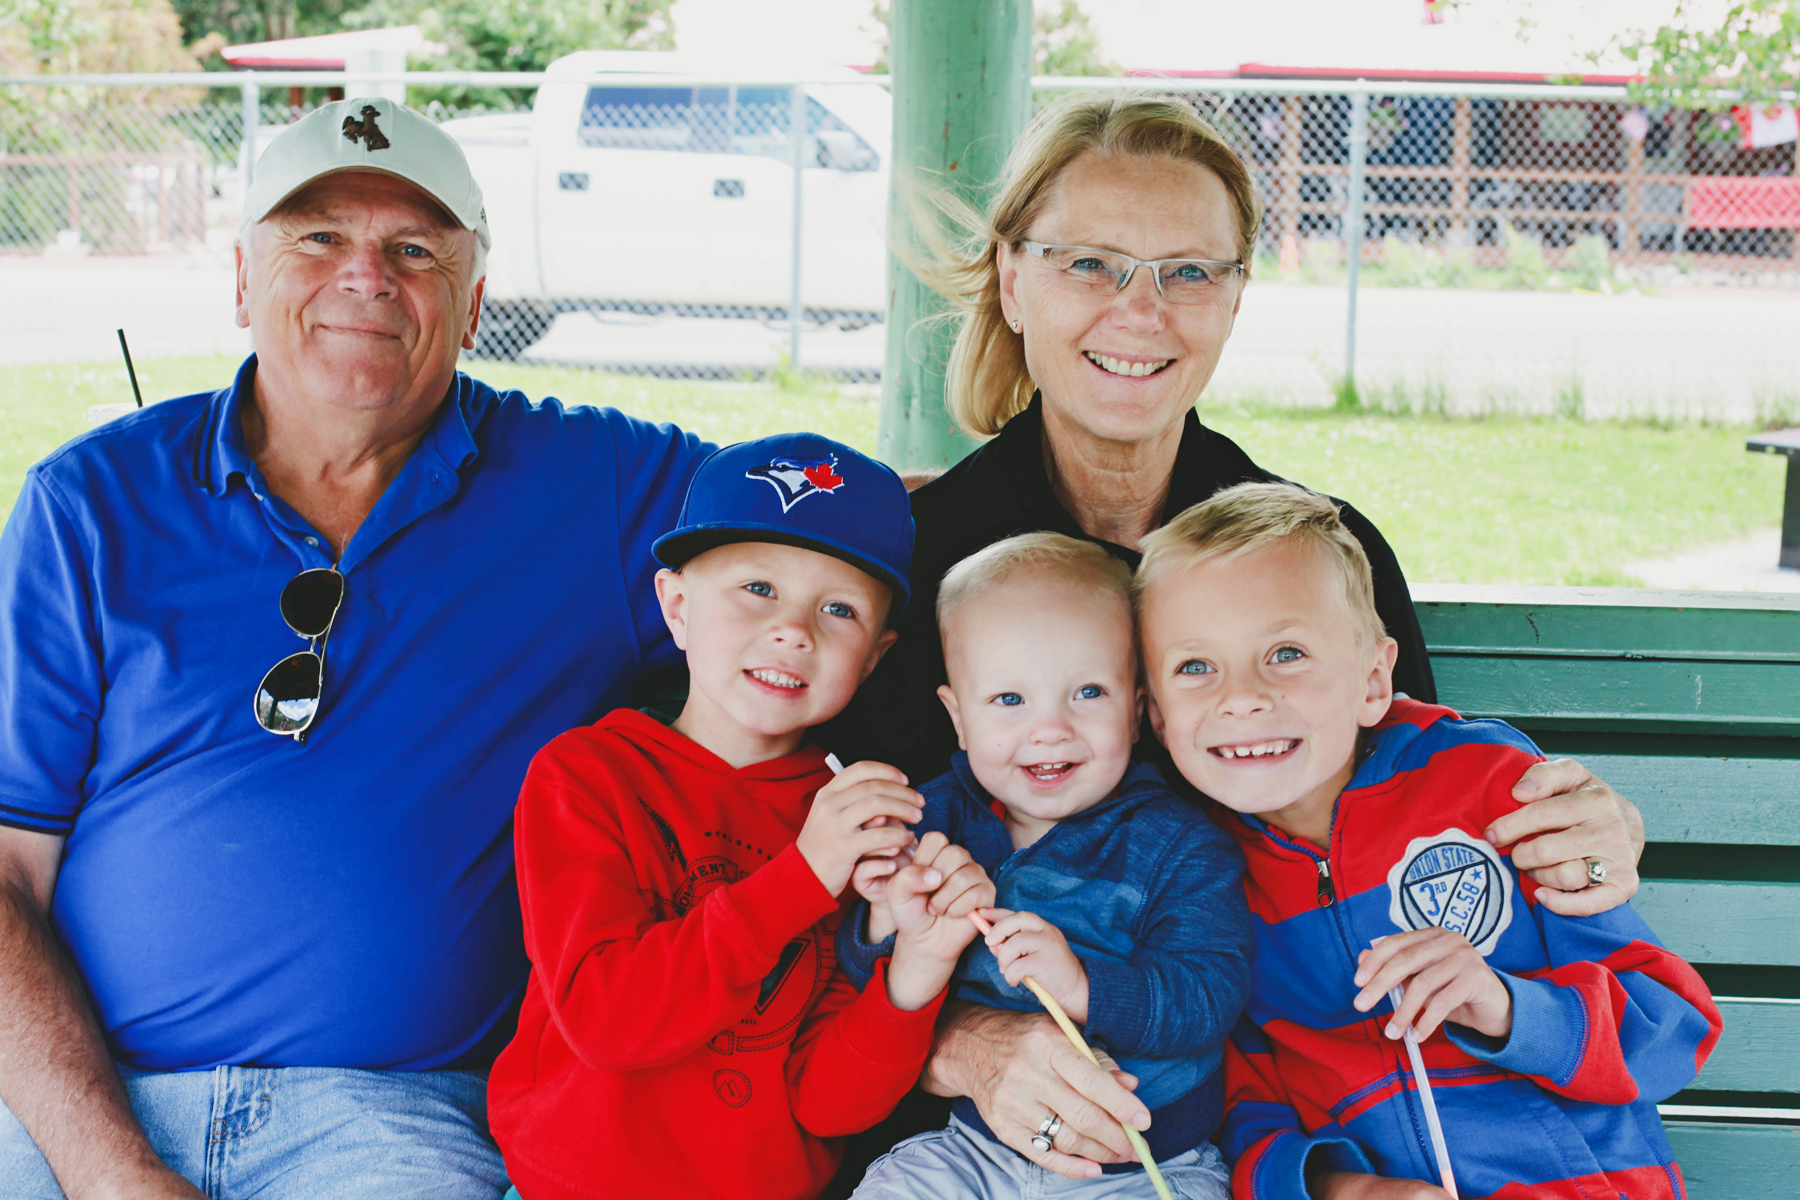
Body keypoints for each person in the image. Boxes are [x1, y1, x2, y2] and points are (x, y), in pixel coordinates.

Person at [819, 92, 1650, 1186]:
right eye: (1091, 264)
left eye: (1189, 272)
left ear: (1236, 296)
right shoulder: (923, 567)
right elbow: (818, 911)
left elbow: (1414, 795)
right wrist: (966, 1050)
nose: (1141, 309)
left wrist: (1574, 830)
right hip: (965, 1145)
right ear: (1013, 279)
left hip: (1269, 1122)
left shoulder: (1307, 551)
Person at [0, 98, 718, 1199]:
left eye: (415, 249)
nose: (367, 276)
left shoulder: (601, 491)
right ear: (243, 281)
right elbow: (6, 868)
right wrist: (110, 1172)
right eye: (319, 237)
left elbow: (831, 508)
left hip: (392, 1116)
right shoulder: (91, 504)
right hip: (80, 1099)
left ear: (475, 304)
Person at [1132, 482, 1721, 1200]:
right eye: (1195, 667)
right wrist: (1340, 1188)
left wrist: (1504, 1007)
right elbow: (1241, 1108)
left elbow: (1671, 1029)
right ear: (1157, 719)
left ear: (1374, 679)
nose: (1242, 696)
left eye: (1286, 653)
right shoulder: (1201, 878)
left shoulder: (1494, 793)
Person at [486, 433, 997, 1200]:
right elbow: (607, 1020)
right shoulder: (587, 776)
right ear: (677, 605)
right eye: (757, 588)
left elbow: (829, 1106)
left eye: (838, 608)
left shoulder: (860, 823)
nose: (795, 630)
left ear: (877, 656)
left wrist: (914, 969)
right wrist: (800, 878)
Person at [839, 532, 1250, 1199]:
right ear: (959, 718)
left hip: (1151, 1163)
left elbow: (1210, 995)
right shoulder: (930, 823)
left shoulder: (1176, 844)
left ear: (1139, 707)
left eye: (1088, 692)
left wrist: (1084, 985)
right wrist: (885, 919)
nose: (1050, 729)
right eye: (1009, 701)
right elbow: (864, 982)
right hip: (976, 1148)